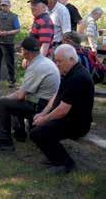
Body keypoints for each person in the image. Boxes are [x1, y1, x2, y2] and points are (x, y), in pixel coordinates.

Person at [0, 36, 60, 151]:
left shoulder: (36, 67)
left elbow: (20, 95)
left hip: (41, 106)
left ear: (26, 52)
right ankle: (19, 134)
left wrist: (5, 97)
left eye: (21, 50)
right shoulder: (45, 61)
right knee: (15, 101)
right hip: (48, 102)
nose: (21, 52)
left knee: (3, 103)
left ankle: (4, 141)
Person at [31, 44, 95, 174]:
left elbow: (63, 110)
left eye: (60, 61)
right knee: (36, 125)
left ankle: (65, 163)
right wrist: (43, 113)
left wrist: (44, 119)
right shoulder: (69, 73)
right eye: (56, 60)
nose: (56, 64)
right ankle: (53, 155)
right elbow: (56, 98)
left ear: (71, 59)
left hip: (77, 124)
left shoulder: (78, 77)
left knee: (37, 132)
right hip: (68, 118)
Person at [0, 0, 20, 88]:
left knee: (9, 62)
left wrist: (7, 33)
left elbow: (17, 29)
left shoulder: (14, 16)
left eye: (5, 5)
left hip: (9, 43)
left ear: (9, 6)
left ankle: (11, 81)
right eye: (2, 5)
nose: (3, 7)